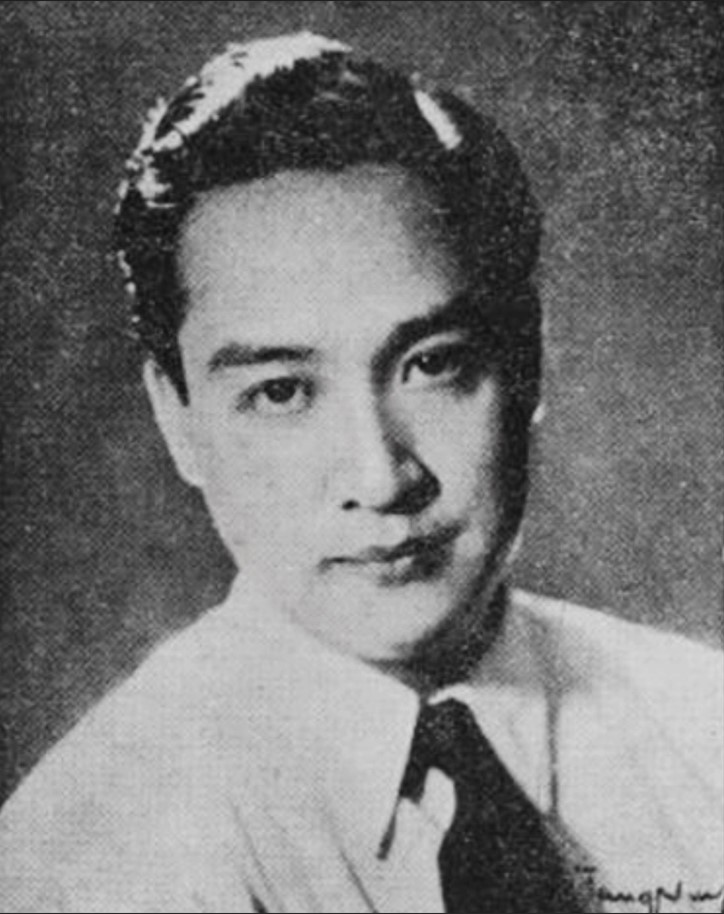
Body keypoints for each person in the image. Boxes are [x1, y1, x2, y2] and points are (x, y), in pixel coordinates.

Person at [0, 31, 721, 914]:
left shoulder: (703, 723)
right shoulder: (85, 860)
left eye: (434, 363)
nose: (381, 479)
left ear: (526, 359)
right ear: (177, 418)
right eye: (280, 392)